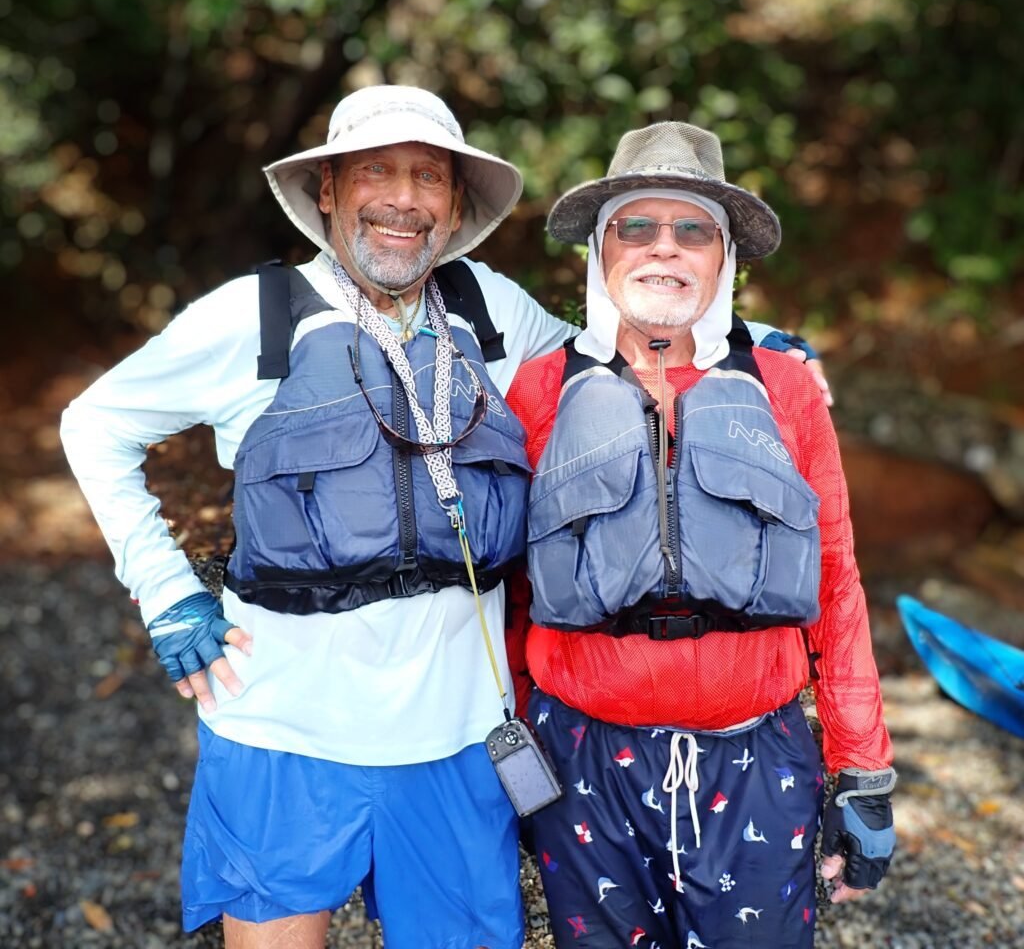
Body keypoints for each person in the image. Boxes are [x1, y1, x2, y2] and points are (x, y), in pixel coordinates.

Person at [61, 84, 827, 949]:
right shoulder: (256, 316)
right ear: (328, 191)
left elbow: (622, 342)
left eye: (428, 177)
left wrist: (756, 344)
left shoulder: (487, 309)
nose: (403, 199)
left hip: (459, 738)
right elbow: (95, 424)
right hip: (278, 725)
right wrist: (165, 589)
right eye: (375, 172)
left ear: (456, 204)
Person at [505, 121, 896, 949]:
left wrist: (862, 764)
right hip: (583, 760)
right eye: (635, 227)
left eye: (692, 231)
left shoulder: (783, 387)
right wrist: (496, 752)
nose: (664, 250)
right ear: (600, 253)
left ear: (724, 261)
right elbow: (507, 595)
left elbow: (834, 579)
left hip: (756, 758)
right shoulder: (540, 391)